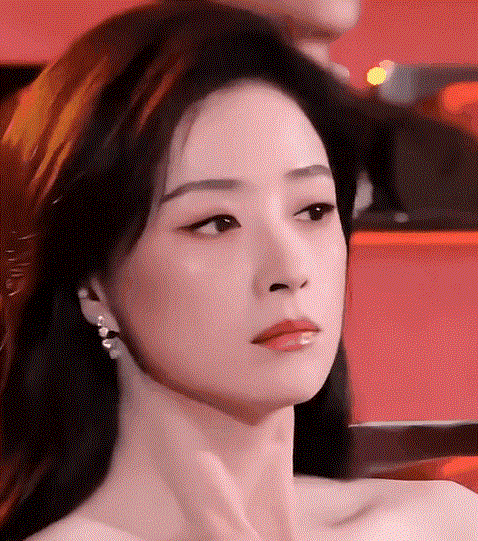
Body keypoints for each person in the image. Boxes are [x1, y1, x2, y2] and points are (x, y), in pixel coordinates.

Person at [0, 2, 476, 540]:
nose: (290, 269)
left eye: (313, 210)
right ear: (92, 284)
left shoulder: (444, 522)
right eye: (216, 223)